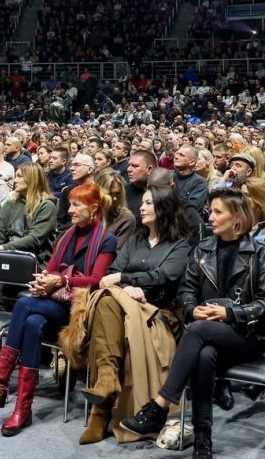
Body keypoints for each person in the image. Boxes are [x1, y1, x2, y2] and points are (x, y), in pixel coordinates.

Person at [120, 190, 265, 459]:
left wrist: (230, 314)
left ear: (238, 217)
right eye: (210, 211)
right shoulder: (202, 250)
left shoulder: (261, 254)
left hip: (249, 334)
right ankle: (203, 440)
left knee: (196, 331)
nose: (210, 217)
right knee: (205, 356)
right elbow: (186, 291)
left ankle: (160, 404)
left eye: (218, 212)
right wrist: (193, 309)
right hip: (208, 332)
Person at [0, 183, 117, 436]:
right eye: (70, 204)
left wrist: (61, 281)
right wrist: (44, 281)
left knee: (24, 304)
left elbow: (96, 280)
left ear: (93, 209)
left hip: (79, 310)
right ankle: (22, 409)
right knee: (33, 323)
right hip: (54, 302)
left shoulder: (107, 240)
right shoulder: (66, 235)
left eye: (76, 205)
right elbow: (52, 269)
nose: (70, 210)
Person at [77, 185, 192, 445]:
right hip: (124, 304)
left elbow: (165, 276)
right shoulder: (136, 240)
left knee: (106, 304)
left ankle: (101, 410)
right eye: (143, 202)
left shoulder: (180, 245)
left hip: (158, 310)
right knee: (108, 301)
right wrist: (127, 288)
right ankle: (106, 385)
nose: (141, 207)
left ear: (164, 207)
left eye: (149, 203)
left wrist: (126, 279)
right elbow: (111, 273)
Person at [0, 161, 58, 260]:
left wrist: (2, 248)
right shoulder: (10, 204)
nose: (15, 180)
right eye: (16, 176)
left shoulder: (47, 206)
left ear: (32, 179)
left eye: (20, 176)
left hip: (35, 260)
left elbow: (34, 239)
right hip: (9, 255)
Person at [94, 167, 136, 247]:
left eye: (118, 193)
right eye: (110, 194)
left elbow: (117, 251)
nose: (115, 198)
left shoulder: (126, 219)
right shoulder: (90, 214)